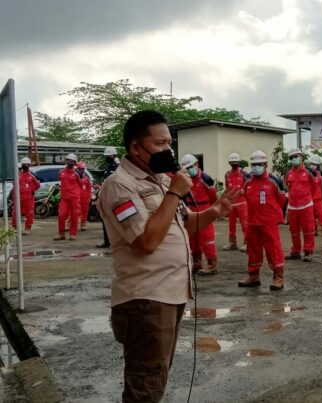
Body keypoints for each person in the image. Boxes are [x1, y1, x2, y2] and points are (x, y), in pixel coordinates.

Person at [97, 110, 238, 402]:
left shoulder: (160, 181)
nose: (168, 150)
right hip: (145, 299)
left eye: (169, 143)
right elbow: (146, 242)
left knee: (156, 376)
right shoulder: (119, 185)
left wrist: (213, 212)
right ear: (136, 147)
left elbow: (183, 223)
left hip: (170, 295)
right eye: (159, 144)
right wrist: (174, 193)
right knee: (145, 385)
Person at [238, 150, 287, 290]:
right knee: (253, 250)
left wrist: (272, 214)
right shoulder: (248, 182)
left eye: (259, 164)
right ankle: (253, 276)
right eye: (253, 164)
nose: (256, 167)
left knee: (274, 249)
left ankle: (278, 277)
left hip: (269, 222)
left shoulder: (274, 181)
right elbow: (247, 199)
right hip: (253, 222)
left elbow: (282, 200)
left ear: (265, 164)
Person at [180, 154, 218, 275]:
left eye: (191, 166)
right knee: (193, 238)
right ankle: (197, 262)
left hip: (204, 207)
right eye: (187, 168)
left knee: (206, 237)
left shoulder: (206, 178)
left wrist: (213, 211)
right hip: (191, 208)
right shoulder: (185, 180)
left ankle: (212, 264)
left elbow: (213, 197)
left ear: (197, 165)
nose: (189, 169)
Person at [284, 148, 317, 262]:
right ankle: (295, 251)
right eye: (291, 157)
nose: (294, 159)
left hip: (306, 206)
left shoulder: (309, 172)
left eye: (296, 156)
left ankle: (308, 251)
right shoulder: (288, 173)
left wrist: (307, 198)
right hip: (293, 206)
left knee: (308, 229)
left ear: (302, 157)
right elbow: (288, 187)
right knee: (293, 230)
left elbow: (314, 187)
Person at [223, 152, 250, 252]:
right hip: (231, 203)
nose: (234, 164)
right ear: (229, 163)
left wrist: (244, 191)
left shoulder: (244, 174)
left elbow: (249, 186)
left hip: (242, 202)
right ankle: (232, 243)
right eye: (232, 162)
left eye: (236, 162)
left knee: (245, 223)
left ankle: (247, 242)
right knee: (231, 223)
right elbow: (227, 188)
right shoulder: (227, 174)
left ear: (239, 162)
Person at [54, 153, 81, 241]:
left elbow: (80, 184)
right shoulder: (61, 172)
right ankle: (61, 234)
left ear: (74, 163)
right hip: (64, 198)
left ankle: (73, 234)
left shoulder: (76, 174)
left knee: (74, 216)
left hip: (74, 198)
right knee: (61, 215)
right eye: (68, 160)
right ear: (66, 161)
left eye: (72, 161)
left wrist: (76, 194)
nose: (70, 162)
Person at [97, 146, 120, 248]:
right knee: (105, 219)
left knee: (115, 220)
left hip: (115, 196)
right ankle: (107, 241)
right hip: (106, 196)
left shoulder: (118, 167)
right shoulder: (108, 167)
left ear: (114, 155)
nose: (107, 157)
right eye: (106, 156)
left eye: (108, 155)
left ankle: (116, 242)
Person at [11, 157, 40, 235]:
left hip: (29, 198)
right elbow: (14, 185)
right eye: (23, 164)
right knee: (15, 213)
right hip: (18, 197)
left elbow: (37, 185)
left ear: (29, 165)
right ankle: (14, 228)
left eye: (26, 164)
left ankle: (27, 228)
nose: (25, 165)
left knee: (29, 213)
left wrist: (31, 190)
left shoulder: (32, 175)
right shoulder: (18, 175)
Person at [307, 155, 322, 237]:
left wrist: (313, 173)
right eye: (311, 163)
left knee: (321, 215)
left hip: (318, 197)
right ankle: (314, 230)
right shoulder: (308, 173)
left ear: (318, 165)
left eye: (314, 164)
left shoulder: (319, 173)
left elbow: (318, 181)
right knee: (311, 216)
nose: (312, 165)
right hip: (310, 197)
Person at [77, 161, 92, 231]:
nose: (81, 170)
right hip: (77, 197)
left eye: (82, 168)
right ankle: (70, 224)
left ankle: (83, 224)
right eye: (80, 168)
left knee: (85, 211)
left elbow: (89, 188)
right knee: (76, 211)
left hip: (85, 198)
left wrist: (89, 197)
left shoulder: (86, 178)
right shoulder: (75, 177)